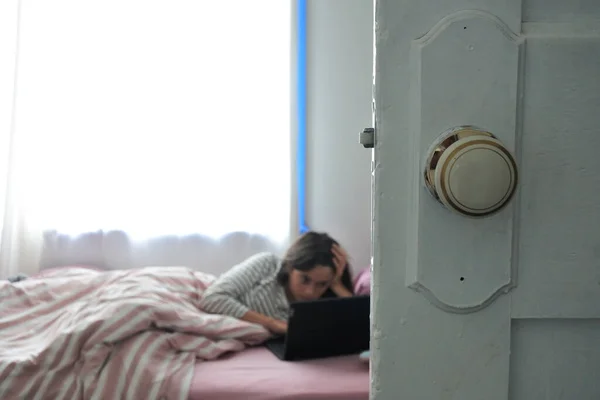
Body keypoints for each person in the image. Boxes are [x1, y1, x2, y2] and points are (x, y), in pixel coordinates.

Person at [198, 231, 354, 335]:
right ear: (290, 266)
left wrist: (336, 285)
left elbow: (364, 332)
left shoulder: (328, 297)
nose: (310, 292)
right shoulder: (268, 265)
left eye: (321, 284)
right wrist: (272, 323)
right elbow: (212, 298)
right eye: (304, 279)